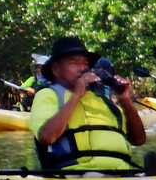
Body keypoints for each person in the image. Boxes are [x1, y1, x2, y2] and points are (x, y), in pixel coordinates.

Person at [29, 36, 149, 173]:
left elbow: (139, 140)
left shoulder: (101, 98)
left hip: (123, 173)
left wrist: (125, 101)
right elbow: (47, 136)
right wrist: (76, 95)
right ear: (56, 69)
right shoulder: (47, 95)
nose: (82, 68)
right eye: (74, 62)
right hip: (77, 175)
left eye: (85, 63)